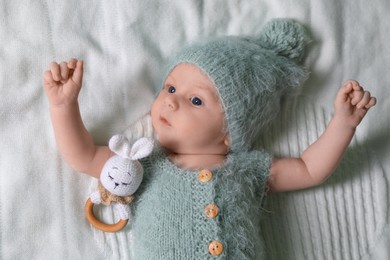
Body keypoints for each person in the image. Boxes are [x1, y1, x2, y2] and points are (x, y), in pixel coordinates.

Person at [43, 19, 376, 259]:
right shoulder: (142, 165)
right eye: (170, 88)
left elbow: (309, 168)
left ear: (230, 132)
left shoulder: (250, 169)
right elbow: (83, 156)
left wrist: (342, 125)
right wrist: (63, 106)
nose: (171, 100)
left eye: (195, 100)